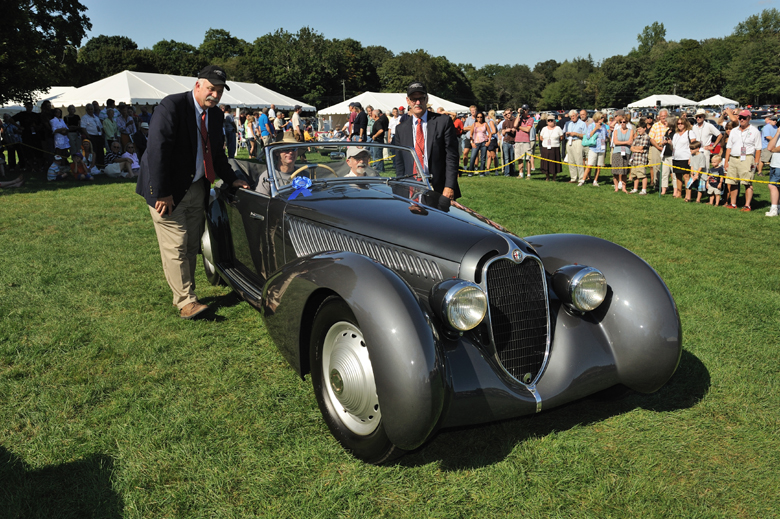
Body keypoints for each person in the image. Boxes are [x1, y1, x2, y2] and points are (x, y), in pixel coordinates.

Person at [136, 65, 249, 319]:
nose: (215, 95)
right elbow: (156, 151)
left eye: (219, 91)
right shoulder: (172, 106)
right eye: (211, 88)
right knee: (175, 245)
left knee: (190, 244)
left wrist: (232, 179)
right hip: (168, 191)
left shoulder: (217, 116)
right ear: (197, 85)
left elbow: (218, 155)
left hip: (198, 186)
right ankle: (186, 301)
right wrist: (161, 192)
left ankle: (189, 294)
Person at [391, 81, 460, 200]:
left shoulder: (443, 122)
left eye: (421, 98)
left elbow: (451, 156)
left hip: (439, 188)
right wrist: (401, 190)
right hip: (411, 189)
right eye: (414, 99)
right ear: (408, 101)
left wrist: (449, 186)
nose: (418, 102)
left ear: (426, 99)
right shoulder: (400, 129)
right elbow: (400, 164)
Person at [724, 109, 762, 211]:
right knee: (732, 182)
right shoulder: (733, 131)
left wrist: (756, 162)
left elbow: (758, 148)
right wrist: (726, 161)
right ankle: (733, 203)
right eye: (740, 117)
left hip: (747, 158)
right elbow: (729, 147)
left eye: (744, 118)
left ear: (749, 118)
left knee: (747, 183)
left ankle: (747, 205)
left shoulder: (755, 131)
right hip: (733, 158)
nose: (742, 119)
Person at [671, 116, 698, 200]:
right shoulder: (675, 134)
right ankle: (679, 193)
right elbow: (673, 146)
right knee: (678, 176)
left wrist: (691, 157)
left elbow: (694, 145)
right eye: (678, 123)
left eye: (681, 123)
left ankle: (688, 195)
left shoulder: (690, 133)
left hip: (686, 157)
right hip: (676, 157)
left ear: (685, 124)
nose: (680, 125)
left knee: (686, 177)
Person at [648, 108, 673, 195]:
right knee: (656, 167)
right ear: (659, 117)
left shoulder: (670, 125)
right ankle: (656, 184)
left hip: (668, 148)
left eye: (665, 116)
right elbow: (651, 138)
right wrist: (658, 147)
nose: (663, 118)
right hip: (657, 147)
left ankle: (666, 185)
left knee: (668, 167)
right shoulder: (655, 125)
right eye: (662, 116)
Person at [583, 112, 608, 186]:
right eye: (601, 117)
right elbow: (588, 136)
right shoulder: (591, 125)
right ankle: (583, 180)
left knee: (599, 166)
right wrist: (595, 129)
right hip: (593, 148)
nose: (603, 119)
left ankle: (595, 180)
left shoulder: (604, 126)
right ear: (597, 118)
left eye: (603, 118)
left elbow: (606, 135)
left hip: (601, 148)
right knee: (589, 165)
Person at [611, 115, 634, 193]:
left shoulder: (631, 131)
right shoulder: (616, 131)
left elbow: (631, 141)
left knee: (624, 171)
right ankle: (616, 187)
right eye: (621, 122)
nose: (622, 123)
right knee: (615, 171)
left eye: (624, 122)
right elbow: (615, 142)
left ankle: (624, 188)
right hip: (616, 152)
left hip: (626, 152)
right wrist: (626, 142)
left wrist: (622, 143)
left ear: (627, 122)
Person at [563, 109, 586, 183]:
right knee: (571, 161)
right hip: (569, 141)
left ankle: (581, 178)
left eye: (573, 116)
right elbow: (566, 132)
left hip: (578, 141)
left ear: (577, 115)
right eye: (571, 116)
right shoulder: (568, 123)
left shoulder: (582, 124)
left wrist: (576, 134)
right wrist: (567, 134)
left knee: (579, 160)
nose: (572, 117)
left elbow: (586, 135)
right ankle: (573, 178)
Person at [539, 114, 564, 181]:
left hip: (555, 148)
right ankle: (547, 177)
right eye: (549, 120)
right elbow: (541, 137)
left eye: (551, 120)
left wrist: (556, 141)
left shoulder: (558, 128)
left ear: (554, 121)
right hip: (545, 148)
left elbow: (561, 137)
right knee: (546, 163)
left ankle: (554, 178)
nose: (550, 122)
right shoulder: (544, 128)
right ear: (547, 121)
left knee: (554, 163)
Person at [628, 119, 650, 195]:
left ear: (644, 128)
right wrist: (636, 149)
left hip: (641, 159)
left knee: (642, 175)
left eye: (640, 129)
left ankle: (644, 190)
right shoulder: (637, 137)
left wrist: (635, 148)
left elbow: (641, 148)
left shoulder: (646, 137)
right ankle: (635, 188)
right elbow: (631, 147)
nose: (639, 130)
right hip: (635, 159)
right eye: (637, 129)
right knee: (635, 175)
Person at [80, 103, 105, 168]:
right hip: (91, 136)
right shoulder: (84, 118)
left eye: (91, 109)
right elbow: (83, 128)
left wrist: (102, 134)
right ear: (86, 110)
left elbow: (100, 126)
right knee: (94, 151)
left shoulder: (96, 117)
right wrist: (88, 136)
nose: (90, 110)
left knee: (101, 151)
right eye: (89, 109)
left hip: (99, 135)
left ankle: (101, 165)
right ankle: (95, 165)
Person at [513, 105, 534, 179]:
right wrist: (518, 114)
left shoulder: (530, 119)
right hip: (518, 140)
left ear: (528, 110)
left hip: (525, 141)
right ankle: (520, 173)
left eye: (525, 109)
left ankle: (528, 174)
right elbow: (515, 125)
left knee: (527, 159)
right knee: (519, 158)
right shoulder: (519, 118)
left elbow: (527, 129)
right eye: (523, 109)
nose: (524, 111)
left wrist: (519, 127)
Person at [468, 112, 491, 176]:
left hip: (484, 142)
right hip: (476, 142)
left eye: (481, 117)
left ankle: (482, 173)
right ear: (476, 118)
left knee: (483, 158)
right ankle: (470, 172)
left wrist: (489, 141)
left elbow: (489, 133)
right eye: (478, 117)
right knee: (472, 157)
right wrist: (471, 142)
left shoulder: (485, 124)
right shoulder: (474, 124)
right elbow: (471, 134)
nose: (479, 118)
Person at [764, 129, 780, 216]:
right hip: (774, 164)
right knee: (777, 187)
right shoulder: (778, 135)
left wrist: (774, 150)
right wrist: (777, 133)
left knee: (772, 185)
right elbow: (769, 147)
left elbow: (773, 149)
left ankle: (773, 209)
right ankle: (777, 207)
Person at [501, 108, 516, 177]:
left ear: (511, 113)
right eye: (506, 114)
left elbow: (518, 129)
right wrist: (506, 130)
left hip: (513, 142)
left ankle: (512, 172)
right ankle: (507, 173)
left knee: (512, 158)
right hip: (506, 142)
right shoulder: (504, 122)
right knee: (506, 158)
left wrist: (514, 130)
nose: (507, 115)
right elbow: (503, 133)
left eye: (508, 113)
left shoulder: (515, 120)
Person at [461, 105, 477, 170]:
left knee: (476, 154)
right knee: (465, 152)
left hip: (476, 138)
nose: (473, 112)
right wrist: (472, 127)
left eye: (474, 110)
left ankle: (475, 168)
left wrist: (470, 127)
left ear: (476, 111)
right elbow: (464, 128)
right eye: (471, 110)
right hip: (468, 138)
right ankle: (465, 167)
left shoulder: (478, 118)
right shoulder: (468, 119)